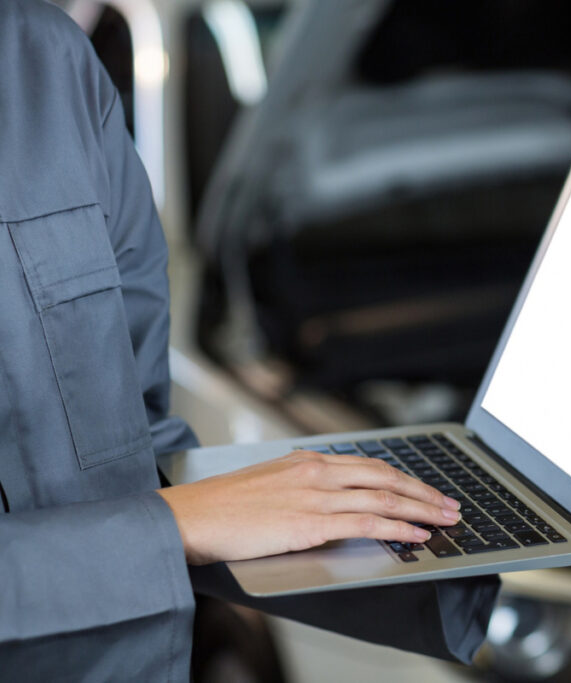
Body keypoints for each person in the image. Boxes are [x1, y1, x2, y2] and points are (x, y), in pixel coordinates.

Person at [0, 1, 497, 679]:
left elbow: (135, 451)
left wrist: (445, 532)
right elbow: (173, 517)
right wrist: (174, 528)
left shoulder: (51, 61)